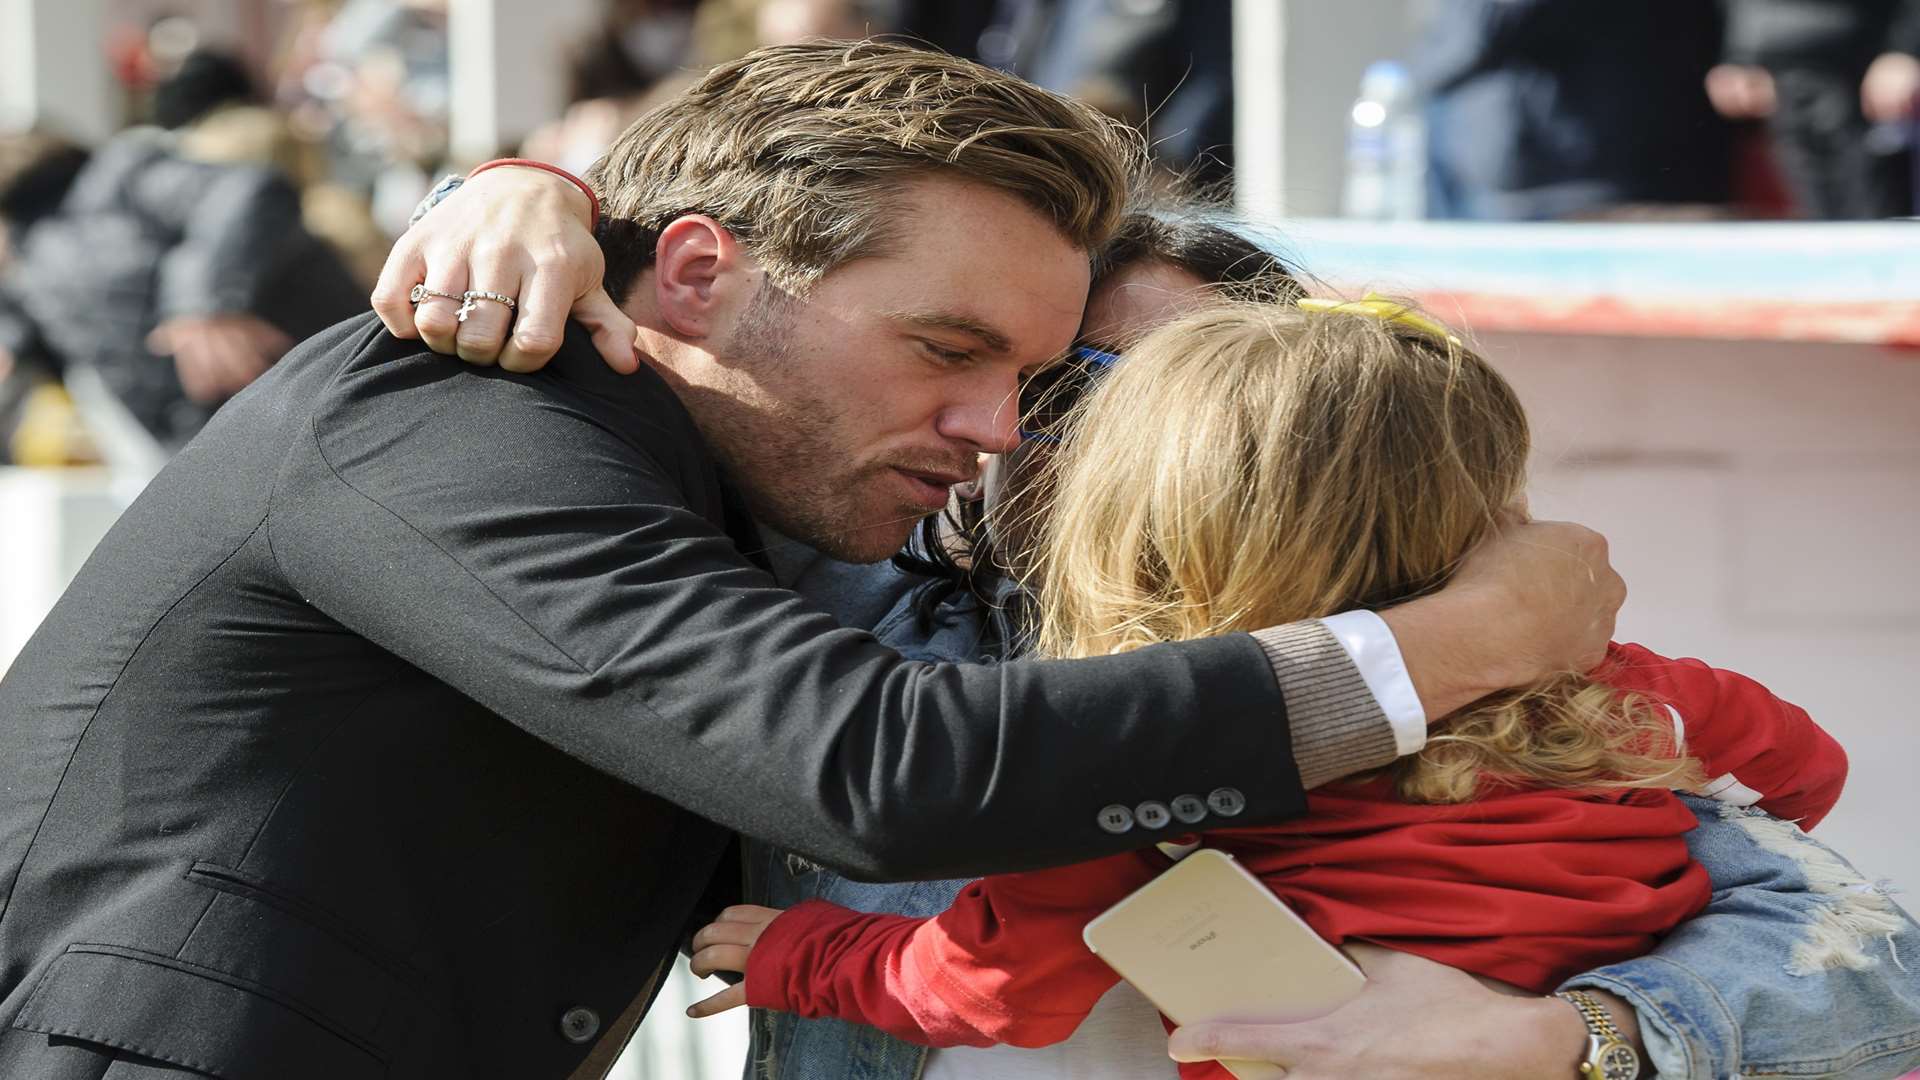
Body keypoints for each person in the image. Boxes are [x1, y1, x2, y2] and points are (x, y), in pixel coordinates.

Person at [0, 43, 1620, 1080]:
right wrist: (1456, 646)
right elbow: (873, 768)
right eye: (947, 348)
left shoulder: (737, 499)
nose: (996, 428)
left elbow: (1807, 936)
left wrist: (1581, 1039)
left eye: (1045, 383)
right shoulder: (466, 424)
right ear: (695, 278)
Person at [401, 177, 1920, 1076]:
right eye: (1049, 381)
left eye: (1220, 401)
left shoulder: (1524, 671)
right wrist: (531, 193)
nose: (1172, 448)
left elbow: (1868, 968)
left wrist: (1561, 1036)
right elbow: (653, 359)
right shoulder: (825, 619)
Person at [686, 299, 1885, 1080]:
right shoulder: (1632, 697)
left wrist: (811, 955)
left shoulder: (1158, 778)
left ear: (1135, 531)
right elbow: (1804, 771)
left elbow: (999, 984)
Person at [1707, 0, 1920, 218]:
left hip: (1865, 67)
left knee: (1877, 216)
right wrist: (1739, 55)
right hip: (1782, 75)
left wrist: (1904, 51)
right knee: (1821, 220)